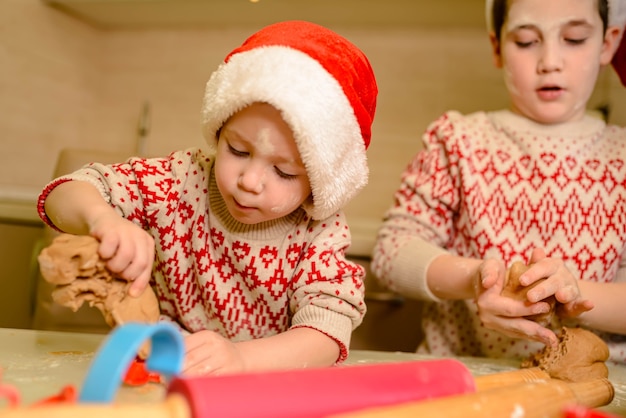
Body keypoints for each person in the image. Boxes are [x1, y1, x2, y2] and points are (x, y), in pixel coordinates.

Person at [37, 20, 378, 375]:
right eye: (238, 150)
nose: (249, 181)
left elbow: (326, 334)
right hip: (163, 376)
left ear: (320, 181)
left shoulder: (319, 232)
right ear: (219, 129)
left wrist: (242, 359)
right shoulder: (179, 181)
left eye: (284, 172)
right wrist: (102, 219)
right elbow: (62, 194)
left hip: (265, 392)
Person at [371, 0, 626, 364]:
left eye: (574, 38)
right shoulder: (457, 140)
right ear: (496, 46)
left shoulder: (622, 157)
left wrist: (573, 296)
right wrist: (476, 279)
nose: (550, 61)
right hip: (464, 381)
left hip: (596, 390)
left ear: (608, 43)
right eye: (526, 42)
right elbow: (393, 252)